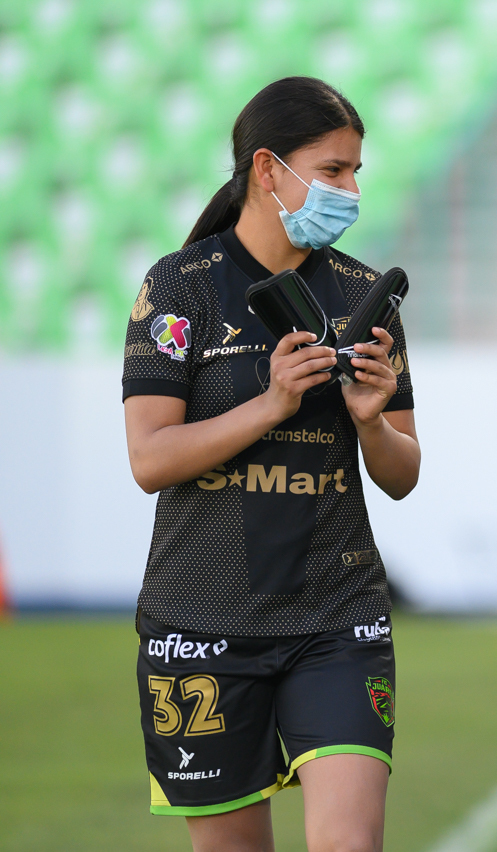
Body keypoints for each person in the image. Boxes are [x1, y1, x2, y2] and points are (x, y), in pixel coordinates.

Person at [122, 77, 420, 851]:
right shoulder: (177, 286)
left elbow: (402, 472)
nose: (352, 190)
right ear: (266, 170)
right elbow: (151, 459)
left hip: (337, 617)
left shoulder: (365, 297)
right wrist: (269, 404)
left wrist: (371, 423)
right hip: (200, 622)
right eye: (334, 171)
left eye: (357, 170)